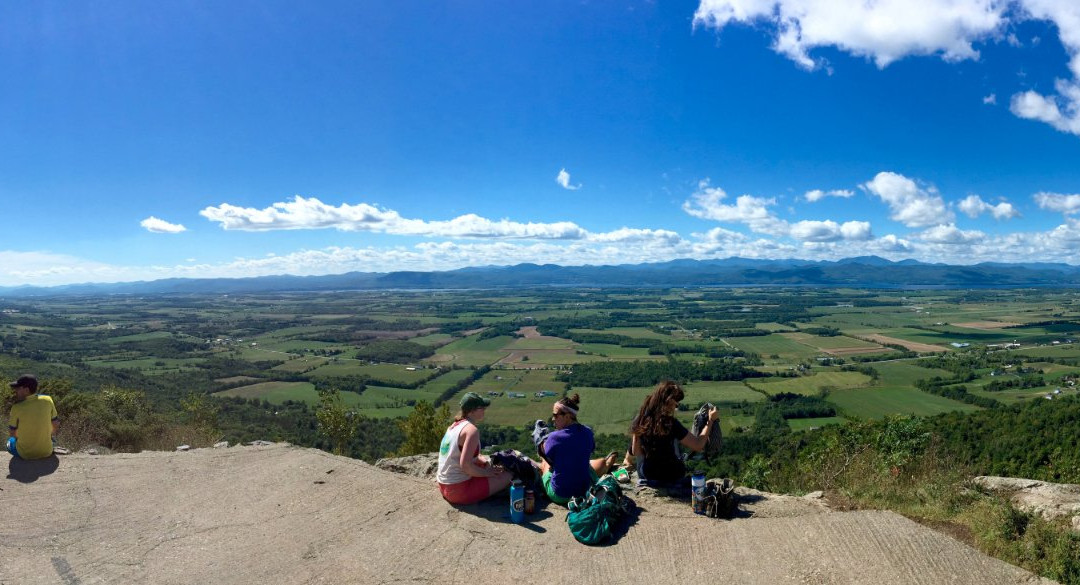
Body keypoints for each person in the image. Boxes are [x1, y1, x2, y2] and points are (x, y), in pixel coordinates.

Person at [630, 380, 718, 486]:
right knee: (674, 440)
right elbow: (698, 445)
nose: (676, 405)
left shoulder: (640, 420)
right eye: (675, 401)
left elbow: (635, 451)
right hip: (673, 473)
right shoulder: (671, 424)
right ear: (668, 401)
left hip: (649, 473)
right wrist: (710, 422)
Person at [537, 394, 618, 505]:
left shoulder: (554, 437)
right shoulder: (588, 432)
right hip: (583, 491)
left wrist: (542, 444)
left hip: (561, 495)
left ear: (567, 416)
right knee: (587, 462)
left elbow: (548, 457)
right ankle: (606, 466)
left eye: (555, 415)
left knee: (545, 464)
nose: (553, 419)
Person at [436, 392, 513, 505]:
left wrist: (484, 463)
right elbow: (465, 465)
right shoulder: (471, 430)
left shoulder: (453, 426)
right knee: (508, 476)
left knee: (486, 466)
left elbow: (460, 456)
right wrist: (488, 473)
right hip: (458, 490)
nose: (484, 410)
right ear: (472, 411)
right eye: (481, 408)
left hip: (444, 485)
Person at [7, 374, 59, 460]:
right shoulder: (48, 400)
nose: (16, 390)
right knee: (52, 440)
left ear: (26, 390)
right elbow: (55, 423)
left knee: (9, 442)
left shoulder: (17, 407)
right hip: (47, 452)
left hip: (25, 455)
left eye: (18, 388)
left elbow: (12, 433)